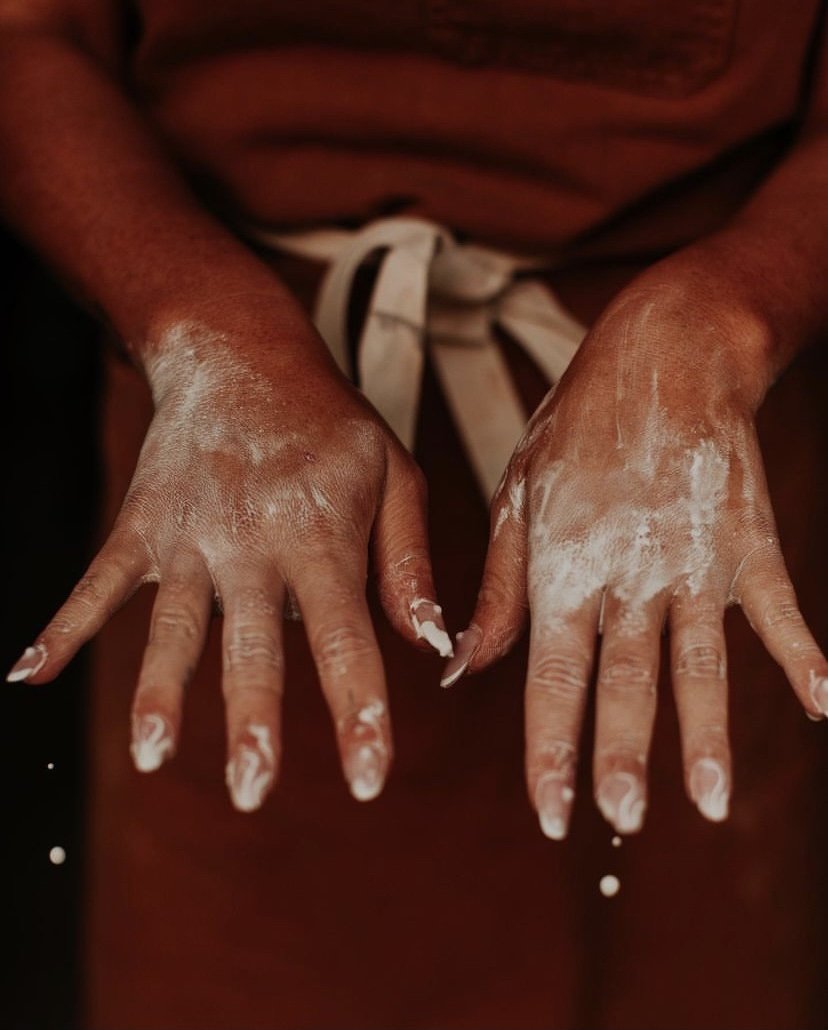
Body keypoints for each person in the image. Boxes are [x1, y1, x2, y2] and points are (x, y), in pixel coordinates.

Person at [1, 2, 826, 1027]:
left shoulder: (712, 371)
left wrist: (731, 313)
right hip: (226, 464)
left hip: (685, 468)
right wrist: (194, 317)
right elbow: (30, 34)